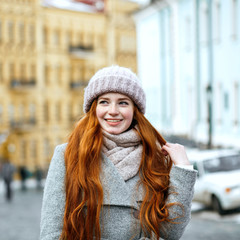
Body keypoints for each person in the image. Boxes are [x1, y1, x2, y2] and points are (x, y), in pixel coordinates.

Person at [40, 66, 197, 240]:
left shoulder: (153, 156)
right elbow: (51, 234)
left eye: (123, 102)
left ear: (135, 110)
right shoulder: (68, 155)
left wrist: (183, 169)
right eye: (104, 102)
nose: (113, 111)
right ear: (94, 109)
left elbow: (170, 233)